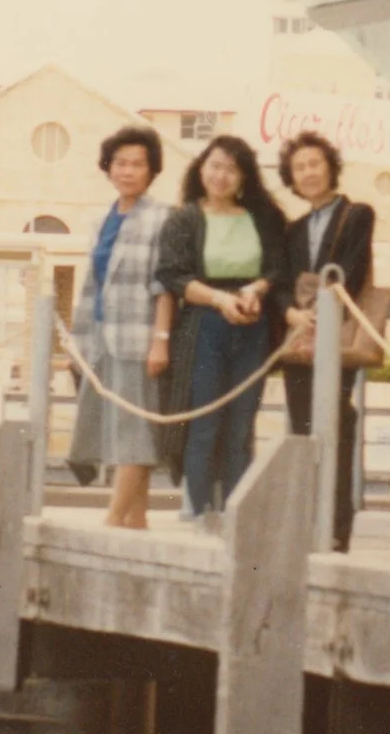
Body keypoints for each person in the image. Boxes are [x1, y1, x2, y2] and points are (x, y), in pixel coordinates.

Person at [155, 135, 291, 522]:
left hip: (252, 322)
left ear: (244, 176)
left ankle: (236, 515)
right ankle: (197, 511)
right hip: (204, 325)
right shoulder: (184, 218)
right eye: (215, 165)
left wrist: (254, 290)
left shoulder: (262, 217)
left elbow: (277, 267)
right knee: (204, 422)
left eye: (232, 168)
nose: (221, 175)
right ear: (201, 168)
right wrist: (219, 300)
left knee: (241, 424)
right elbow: (172, 274)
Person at [64, 126, 175, 528]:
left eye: (137, 164)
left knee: (133, 432)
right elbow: (91, 286)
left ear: (151, 171)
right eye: (120, 163)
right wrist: (77, 346)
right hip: (100, 340)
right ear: (108, 168)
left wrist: (160, 341)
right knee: (121, 430)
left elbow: (165, 286)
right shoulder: (100, 220)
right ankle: (137, 520)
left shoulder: (162, 217)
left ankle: (112, 519)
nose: (127, 171)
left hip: (139, 339)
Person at [278, 130, 376, 550]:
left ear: (331, 166)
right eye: (299, 167)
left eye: (314, 163)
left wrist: (322, 309)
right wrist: (294, 313)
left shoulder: (357, 214)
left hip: (337, 333)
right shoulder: (293, 228)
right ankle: (307, 525)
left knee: (336, 421)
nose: (308, 172)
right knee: (302, 426)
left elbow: (350, 270)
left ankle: (337, 528)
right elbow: (282, 279)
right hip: (301, 336)